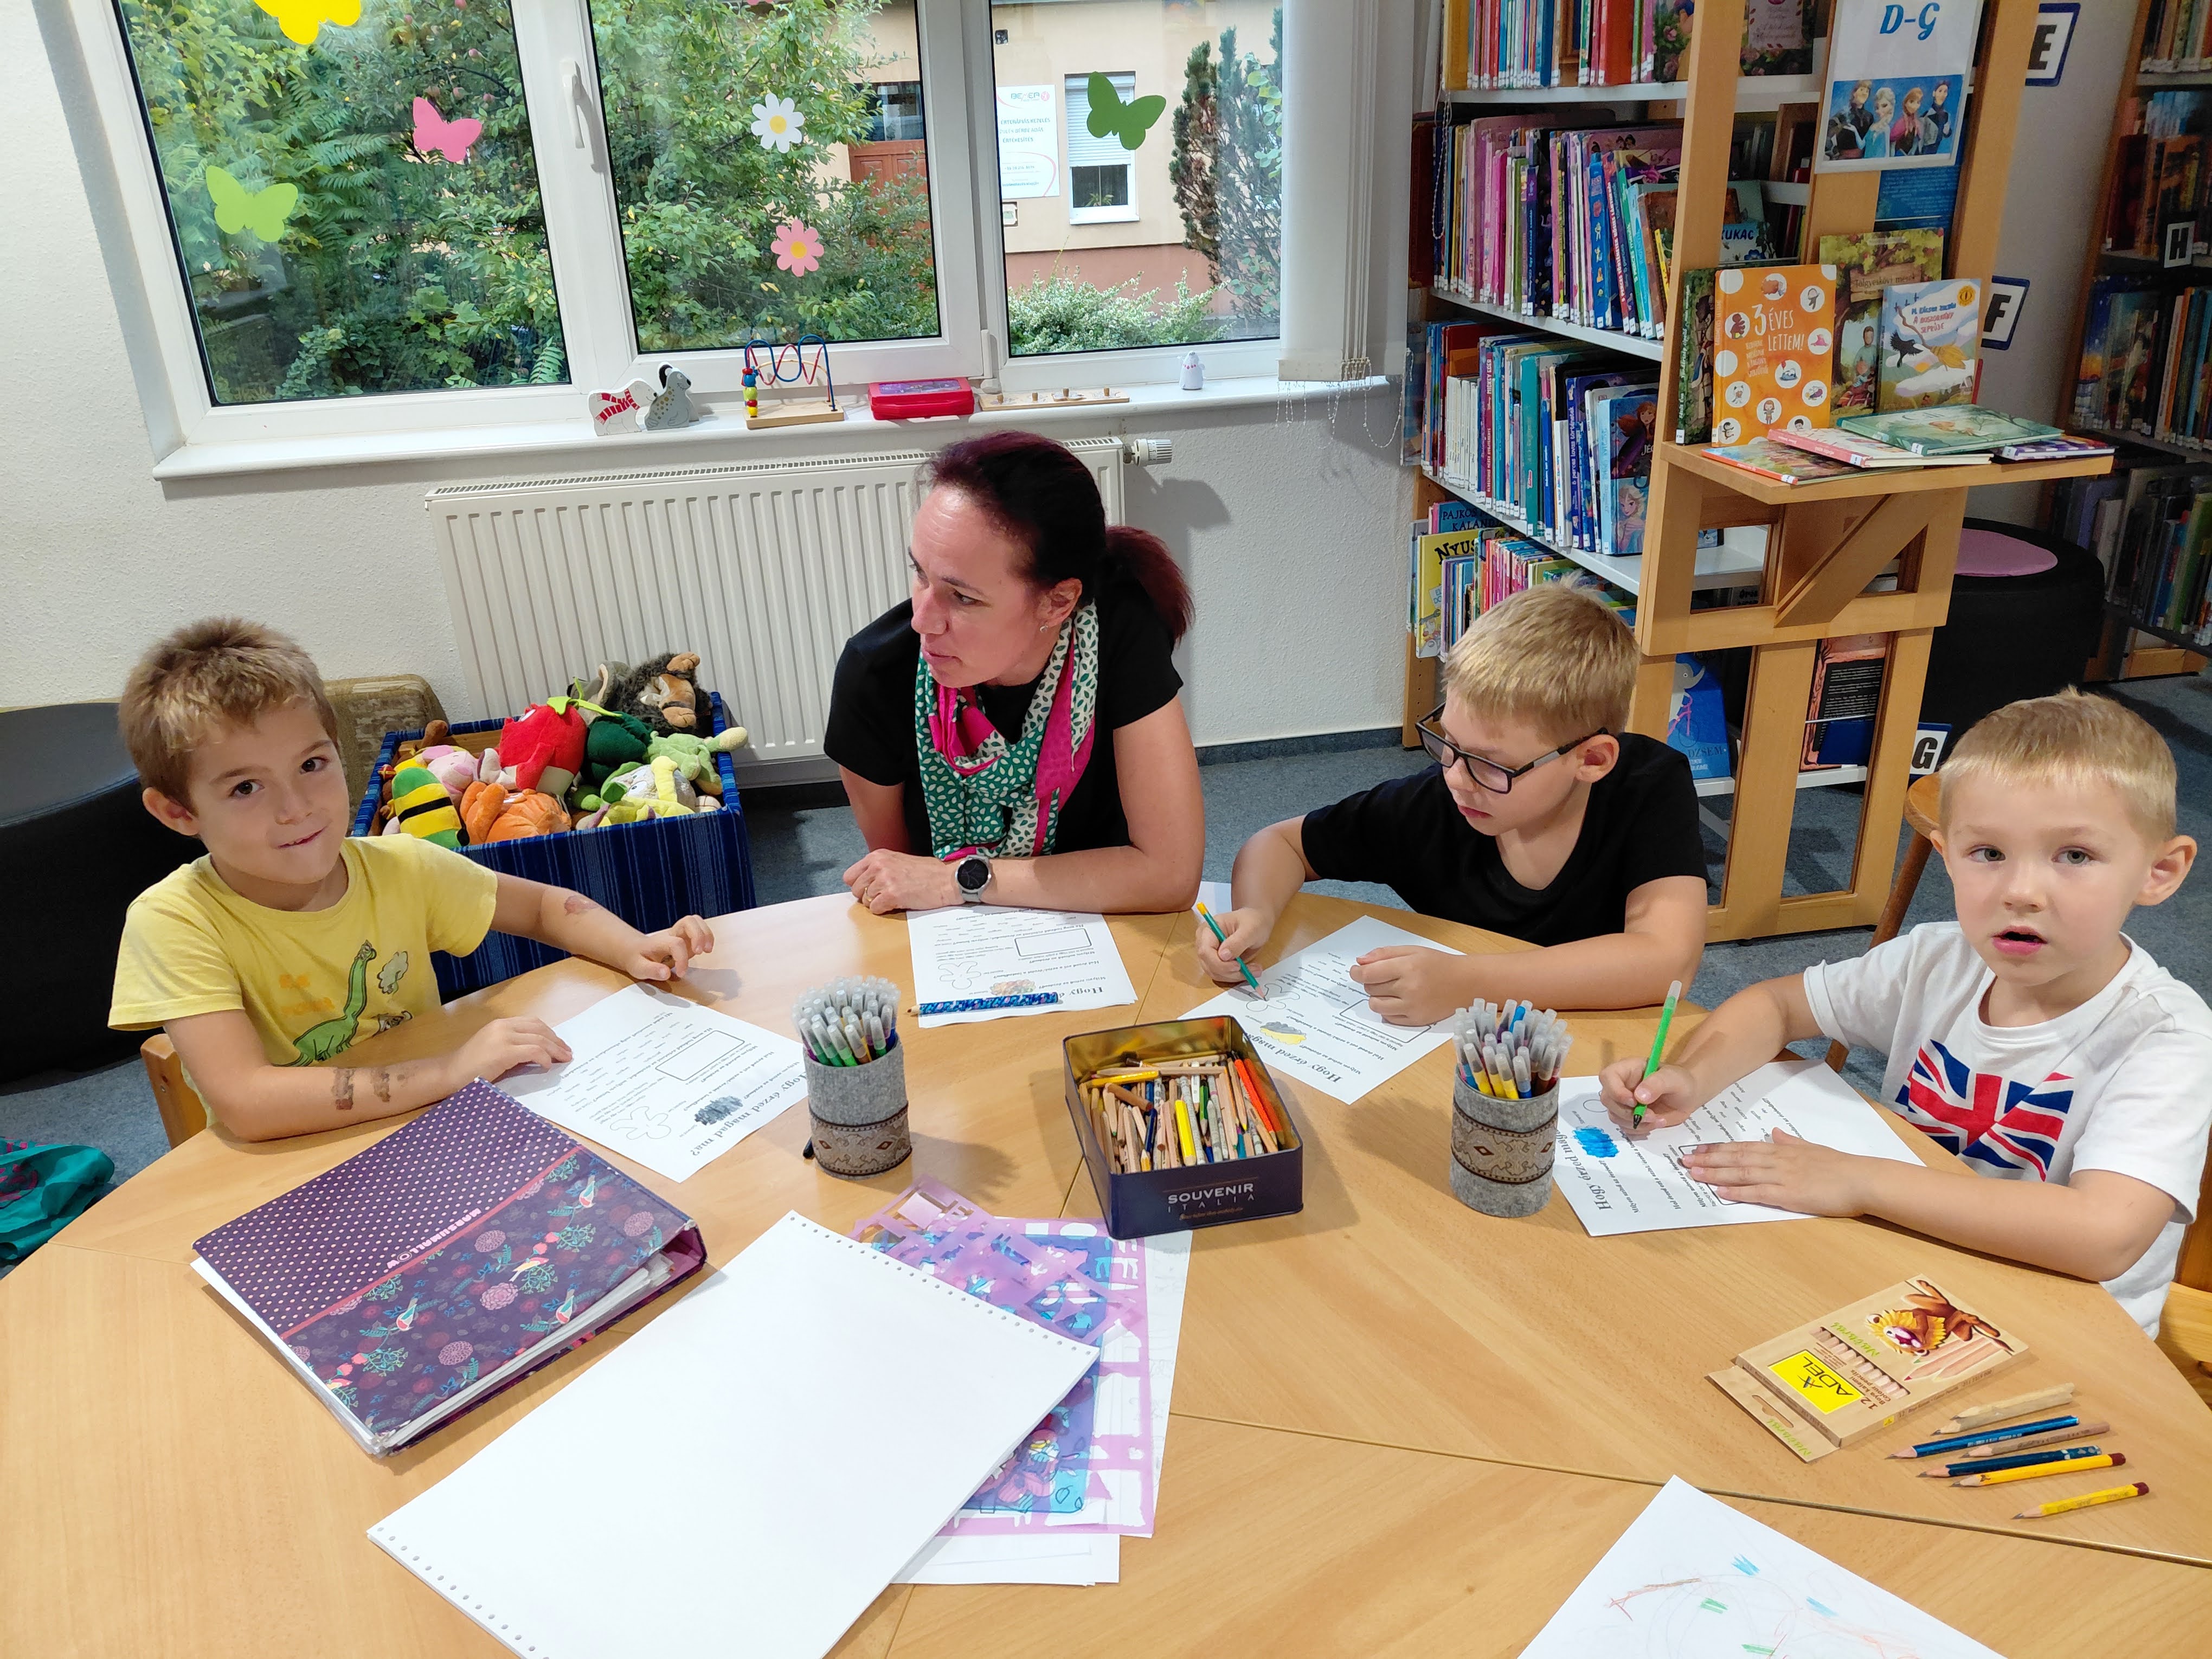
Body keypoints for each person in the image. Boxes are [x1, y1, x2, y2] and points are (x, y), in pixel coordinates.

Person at [1601, 691, 2208, 1337]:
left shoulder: (2168, 1038)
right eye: (1988, 853)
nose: (2021, 892)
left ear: (2159, 871)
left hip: (2064, 1332)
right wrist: (1692, 1076)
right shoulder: (1937, 959)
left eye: (2075, 856)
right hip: (1910, 1271)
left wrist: (1858, 1181)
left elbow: (2104, 1235)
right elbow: (1776, 1005)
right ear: (1946, 853)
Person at [108, 619, 715, 1142]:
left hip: (429, 1123)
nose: (297, 808)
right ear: (178, 812)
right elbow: (246, 1102)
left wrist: (632, 945)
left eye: (311, 764)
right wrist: (450, 1072)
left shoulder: (400, 865)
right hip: (298, 1162)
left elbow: (544, 908)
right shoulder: (174, 921)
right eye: (246, 787)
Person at [1196, 583, 1707, 1025]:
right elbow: (1281, 844)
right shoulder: (1436, 803)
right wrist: (1255, 913)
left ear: (1591, 760)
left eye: (1491, 763)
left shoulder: (1647, 786)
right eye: (1449, 742)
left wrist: (1470, 983)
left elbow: (1667, 963)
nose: (1456, 777)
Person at [826, 430, 1204, 915]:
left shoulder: (1119, 630)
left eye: (964, 598)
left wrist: (964, 878)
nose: (923, 620)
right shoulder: (875, 676)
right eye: (920, 573)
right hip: (956, 937)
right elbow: (899, 885)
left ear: (1059, 601)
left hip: (1106, 931)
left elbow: (1170, 876)